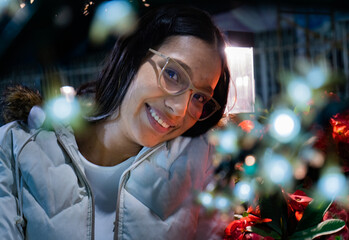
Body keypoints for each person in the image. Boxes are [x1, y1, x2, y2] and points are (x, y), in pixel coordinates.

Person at [0, 5, 230, 240]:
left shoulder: (202, 161)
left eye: (200, 97)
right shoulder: (15, 147)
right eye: (172, 74)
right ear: (134, 55)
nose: (180, 109)